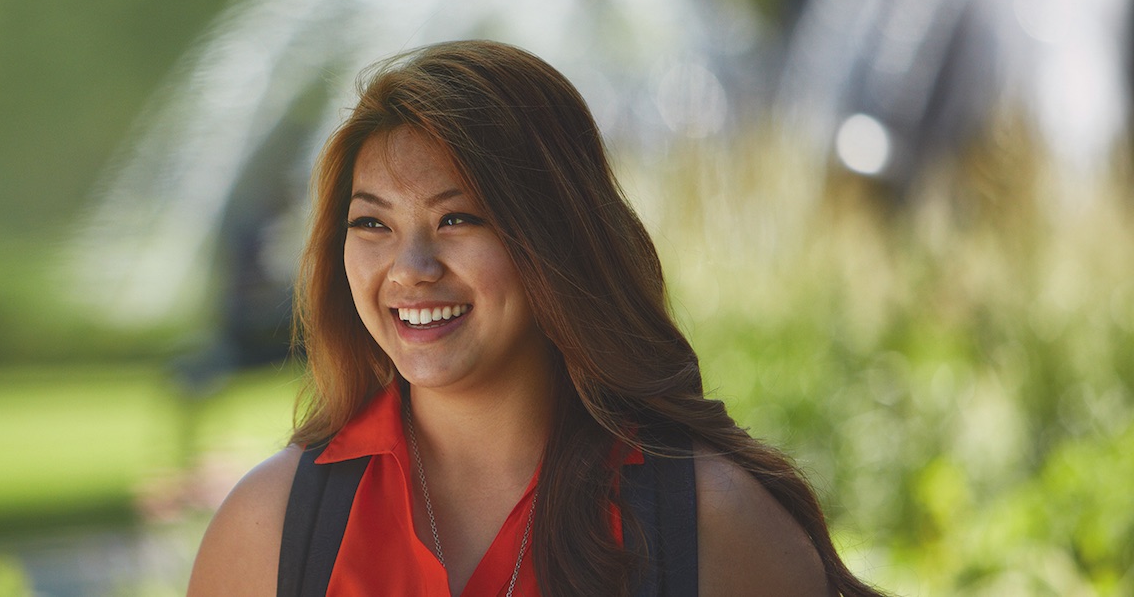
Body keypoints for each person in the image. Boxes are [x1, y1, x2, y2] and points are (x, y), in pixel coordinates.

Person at [188, 40, 884, 597]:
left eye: (456, 218)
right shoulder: (273, 528)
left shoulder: (706, 522)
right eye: (372, 223)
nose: (410, 267)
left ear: (553, 240)